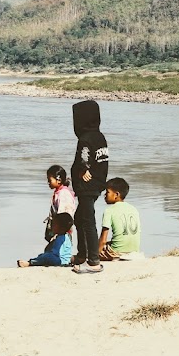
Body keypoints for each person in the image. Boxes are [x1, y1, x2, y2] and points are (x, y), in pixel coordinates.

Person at [70, 100, 109, 273]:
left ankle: (93, 261)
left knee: (88, 221)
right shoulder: (100, 137)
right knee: (80, 218)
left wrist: (82, 170)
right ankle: (82, 254)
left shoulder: (85, 139)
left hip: (87, 186)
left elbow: (84, 157)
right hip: (98, 183)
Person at [97, 177, 143, 261]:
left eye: (107, 192)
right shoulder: (134, 209)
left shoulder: (109, 211)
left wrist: (95, 256)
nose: (105, 195)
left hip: (117, 252)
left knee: (94, 247)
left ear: (116, 195)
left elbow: (103, 240)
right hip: (134, 250)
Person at [45, 164, 77, 241]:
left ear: (58, 180)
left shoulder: (63, 194)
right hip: (58, 229)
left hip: (62, 232)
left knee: (59, 250)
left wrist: (58, 232)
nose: (48, 182)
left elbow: (64, 216)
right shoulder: (59, 192)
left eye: (50, 180)